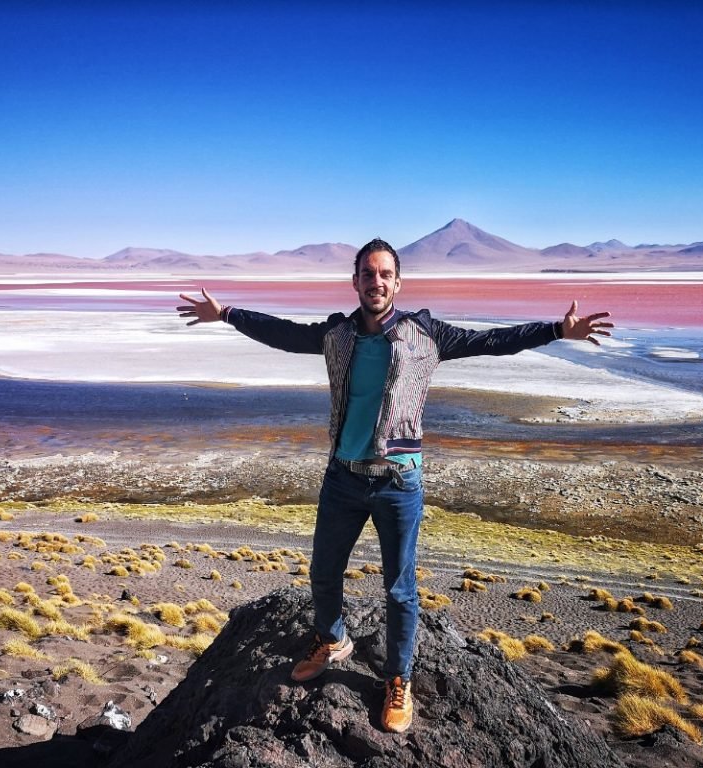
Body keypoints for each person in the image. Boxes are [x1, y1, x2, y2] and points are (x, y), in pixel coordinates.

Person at [177, 237, 612, 733]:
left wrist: (558, 329)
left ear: (397, 282)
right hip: (343, 476)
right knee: (323, 571)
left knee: (401, 591)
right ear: (356, 281)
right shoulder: (337, 334)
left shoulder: (427, 333)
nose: (376, 282)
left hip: (399, 483)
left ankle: (397, 680)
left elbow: (495, 339)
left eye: (385, 274)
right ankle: (332, 639)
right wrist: (229, 313)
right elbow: (284, 333)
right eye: (368, 274)